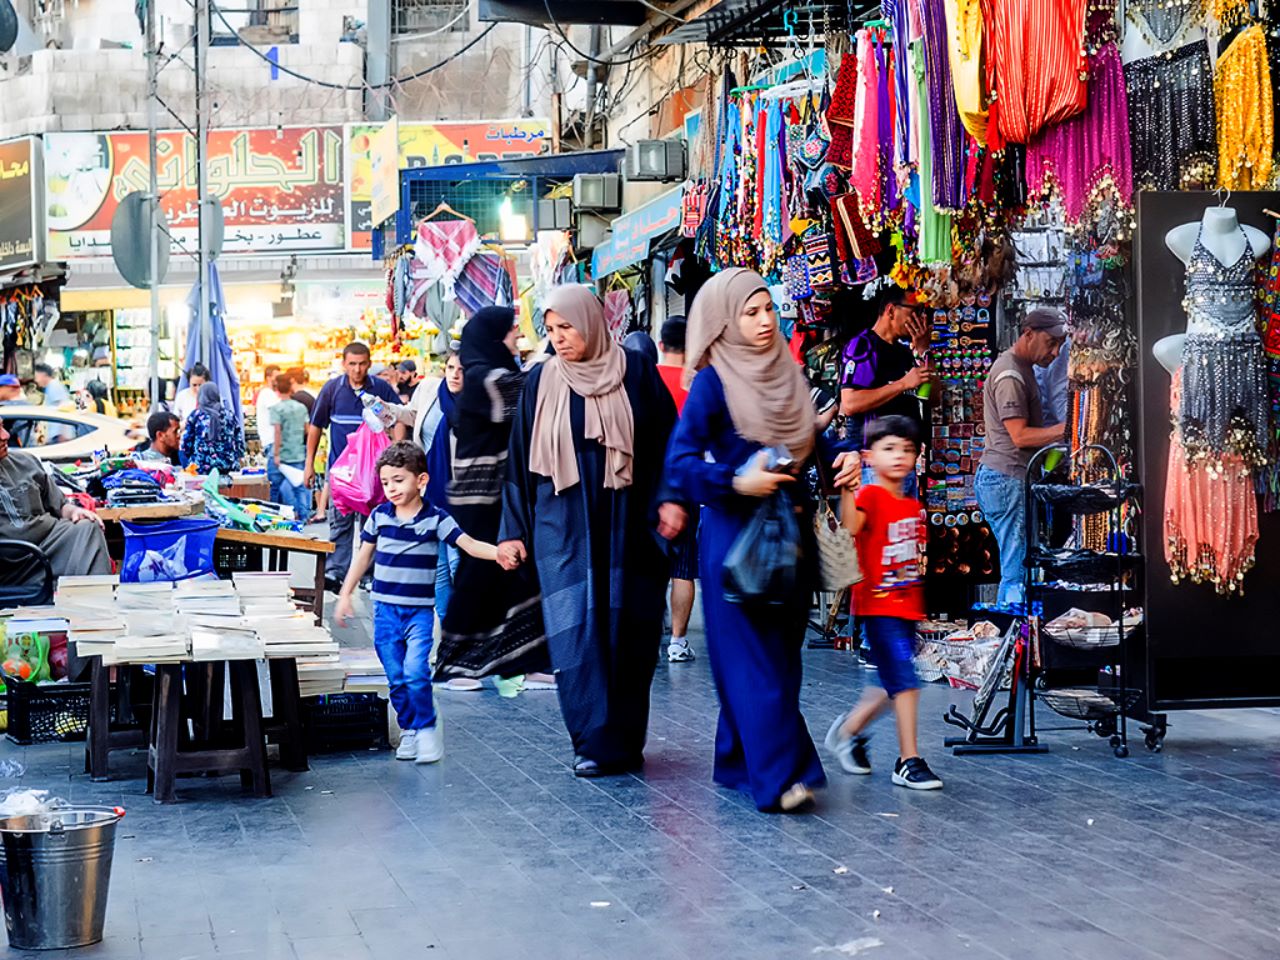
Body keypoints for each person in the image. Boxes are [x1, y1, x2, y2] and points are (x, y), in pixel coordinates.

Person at [498, 287, 682, 777]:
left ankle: (623, 739)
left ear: (593, 324)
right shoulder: (540, 381)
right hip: (563, 527)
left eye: (568, 328)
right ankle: (591, 741)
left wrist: (671, 501)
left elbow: (669, 443)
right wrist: (512, 530)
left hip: (629, 526)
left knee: (630, 633)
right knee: (574, 630)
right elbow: (517, 459)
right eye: (552, 330)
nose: (559, 339)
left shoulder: (636, 372)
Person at [665, 267, 826, 813]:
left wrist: (840, 458)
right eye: (749, 312)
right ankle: (783, 778)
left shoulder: (788, 373)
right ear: (724, 320)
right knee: (755, 660)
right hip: (736, 538)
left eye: (767, 310)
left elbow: (806, 442)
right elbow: (680, 463)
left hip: (790, 533)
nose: (763, 322)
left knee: (779, 658)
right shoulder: (714, 381)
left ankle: (735, 759)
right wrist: (736, 482)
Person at [335, 442, 499, 765]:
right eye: (385, 482)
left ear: (421, 480)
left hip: (419, 614)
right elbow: (363, 555)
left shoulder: (436, 519)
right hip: (384, 611)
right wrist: (345, 594)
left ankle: (425, 727)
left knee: (415, 672)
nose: (391, 488)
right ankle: (409, 726)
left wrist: (499, 553)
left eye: (399, 480)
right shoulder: (379, 517)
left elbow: (467, 543)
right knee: (396, 675)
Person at [434, 308, 552, 693]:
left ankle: (526, 662)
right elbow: (527, 399)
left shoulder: (491, 372)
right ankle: (454, 665)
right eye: (512, 331)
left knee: (518, 574)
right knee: (480, 573)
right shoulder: (486, 377)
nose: (517, 336)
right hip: (481, 497)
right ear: (493, 336)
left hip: (502, 492)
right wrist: (550, 357)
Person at [825, 415, 944, 791]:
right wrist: (846, 488)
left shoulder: (911, 505)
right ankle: (908, 760)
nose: (898, 457)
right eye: (889, 448)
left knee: (890, 687)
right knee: (904, 684)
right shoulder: (870, 496)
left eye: (907, 450)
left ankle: (848, 732)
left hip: (906, 609)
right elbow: (852, 526)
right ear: (869, 456)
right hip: (879, 608)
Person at [975, 308, 1067, 606]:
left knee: (1021, 563)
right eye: (1050, 343)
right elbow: (1020, 436)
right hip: (1006, 478)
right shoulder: (1011, 374)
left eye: (1059, 346)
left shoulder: (1022, 367)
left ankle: (1018, 637)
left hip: (1011, 478)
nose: (1054, 353)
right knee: (1016, 567)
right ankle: (1010, 638)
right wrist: (1066, 430)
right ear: (1028, 334)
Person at [305, 342, 405, 592]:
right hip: (342, 476)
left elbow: (399, 417)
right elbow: (316, 427)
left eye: (362, 364)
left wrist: (400, 450)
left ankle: (368, 575)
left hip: (374, 475)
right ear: (344, 364)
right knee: (340, 523)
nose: (357, 369)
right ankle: (335, 572)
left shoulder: (380, 388)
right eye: (352, 364)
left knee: (372, 524)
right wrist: (309, 464)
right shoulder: (332, 390)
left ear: (369, 364)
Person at [836, 285, 933, 492]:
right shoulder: (863, 346)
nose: (919, 319)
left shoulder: (905, 352)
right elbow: (850, 403)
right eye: (914, 312)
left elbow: (933, 397)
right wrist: (903, 384)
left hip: (904, 463)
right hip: (874, 466)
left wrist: (924, 351)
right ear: (891, 310)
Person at [0, 419, 110, 577]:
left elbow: (61, 505)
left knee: (88, 526)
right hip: (9, 564)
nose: (5, 435)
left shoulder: (25, 462)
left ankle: (94, 597)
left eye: (2, 426)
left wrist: (74, 511)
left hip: (48, 545)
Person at [654, 318, 699, 664]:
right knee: (682, 568)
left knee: (649, 564)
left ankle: (649, 633)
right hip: (686, 486)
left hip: (648, 489)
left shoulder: (644, 380)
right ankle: (678, 641)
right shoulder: (697, 387)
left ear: (661, 345)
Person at [268, 373, 312, 522]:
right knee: (300, 487)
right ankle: (304, 516)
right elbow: (308, 430)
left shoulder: (276, 409)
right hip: (298, 452)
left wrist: (276, 454)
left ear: (277, 389)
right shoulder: (301, 408)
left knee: (275, 488)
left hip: (282, 454)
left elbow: (277, 432)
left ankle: (275, 516)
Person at [181, 382, 244, 474]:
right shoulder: (230, 415)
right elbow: (239, 444)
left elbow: (186, 444)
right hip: (228, 468)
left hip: (201, 468)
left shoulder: (196, 415)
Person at [33, 364, 74, 442]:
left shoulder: (53, 386)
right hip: (56, 434)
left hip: (59, 436)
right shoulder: (51, 386)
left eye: (37, 377)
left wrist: (63, 434)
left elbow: (62, 409)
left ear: (43, 375)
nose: (36, 380)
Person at [255, 364, 280, 454]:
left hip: (271, 440)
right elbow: (279, 412)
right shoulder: (267, 394)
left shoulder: (269, 393)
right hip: (271, 440)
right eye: (276, 376)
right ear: (268, 378)